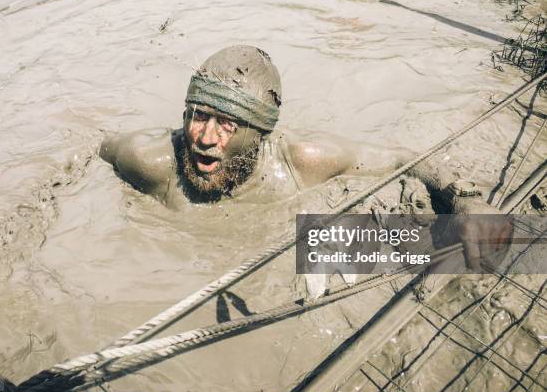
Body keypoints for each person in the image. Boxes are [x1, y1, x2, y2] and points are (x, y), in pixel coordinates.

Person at [100, 45, 511, 269]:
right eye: (198, 116)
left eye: (226, 124)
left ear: (259, 134)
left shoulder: (303, 162)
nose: (204, 138)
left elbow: (407, 158)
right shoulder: (151, 163)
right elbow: (93, 146)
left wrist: (466, 198)